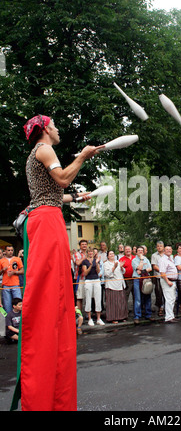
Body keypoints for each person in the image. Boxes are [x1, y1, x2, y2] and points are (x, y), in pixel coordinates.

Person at [12, 114, 102, 411]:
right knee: (53, 294)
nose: (59, 129)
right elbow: (62, 178)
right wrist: (85, 156)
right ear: (46, 129)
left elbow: (49, 194)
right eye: (56, 125)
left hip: (43, 215)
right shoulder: (44, 148)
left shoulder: (34, 155)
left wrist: (76, 198)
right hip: (46, 221)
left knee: (53, 291)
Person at [103, 250, 128, 323]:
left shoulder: (117, 261)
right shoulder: (106, 264)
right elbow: (107, 274)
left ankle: (122, 316)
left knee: (121, 301)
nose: (112, 255)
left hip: (120, 284)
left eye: (113, 253)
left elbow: (123, 272)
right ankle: (113, 318)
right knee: (113, 302)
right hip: (111, 285)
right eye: (110, 254)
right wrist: (114, 267)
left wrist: (121, 267)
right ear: (107, 256)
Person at [82, 248, 104, 326]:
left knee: (98, 298)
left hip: (96, 279)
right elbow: (85, 273)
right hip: (88, 280)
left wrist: (97, 263)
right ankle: (89, 318)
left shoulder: (95, 260)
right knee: (88, 299)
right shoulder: (85, 261)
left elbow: (98, 271)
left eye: (92, 252)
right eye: (89, 252)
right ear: (87, 253)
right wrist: (91, 265)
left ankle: (98, 318)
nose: (91, 253)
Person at [132, 246, 153, 325]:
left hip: (146, 279)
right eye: (139, 250)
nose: (140, 252)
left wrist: (143, 271)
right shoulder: (134, 260)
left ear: (144, 252)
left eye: (142, 250)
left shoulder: (147, 259)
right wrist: (141, 260)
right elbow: (138, 268)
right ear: (136, 252)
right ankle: (137, 316)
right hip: (137, 279)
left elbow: (150, 268)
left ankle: (148, 314)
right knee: (138, 298)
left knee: (148, 297)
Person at [158, 245, 179, 323]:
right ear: (164, 251)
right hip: (167, 281)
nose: (169, 251)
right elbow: (162, 272)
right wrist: (167, 281)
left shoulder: (171, 259)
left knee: (172, 299)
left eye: (170, 249)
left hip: (173, 281)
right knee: (169, 299)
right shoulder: (163, 260)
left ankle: (171, 316)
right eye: (167, 249)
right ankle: (168, 317)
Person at [0, 245, 23, 313]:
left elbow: (23, 271)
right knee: (7, 305)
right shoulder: (1, 260)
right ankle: (9, 321)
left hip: (16, 284)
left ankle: (19, 320)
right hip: (6, 285)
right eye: (9, 250)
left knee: (19, 303)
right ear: (5, 251)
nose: (10, 252)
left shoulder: (17, 259)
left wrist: (14, 272)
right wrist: (2, 270)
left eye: (12, 250)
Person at [151, 241, 165, 317]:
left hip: (167, 276)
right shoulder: (154, 255)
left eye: (161, 246)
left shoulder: (166, 254)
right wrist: (162, 271)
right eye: (158, 246)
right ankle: (160, 307)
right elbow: (154, 266)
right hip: (158, 276)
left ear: (163, 247)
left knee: (166, 292)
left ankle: (166, 307)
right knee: (158, 292)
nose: (159, 247)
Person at [74, 239, 88, 313]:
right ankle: (79, 314)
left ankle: (87, 314)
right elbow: (78, 263)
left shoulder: (89, 253)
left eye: (85, 244)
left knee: (87, 297)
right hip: (80, 278)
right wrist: (84, 258)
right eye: (83, 244)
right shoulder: (77, 254)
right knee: (79, 297)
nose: (84, 246)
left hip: (88, 278)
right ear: (80, 246)